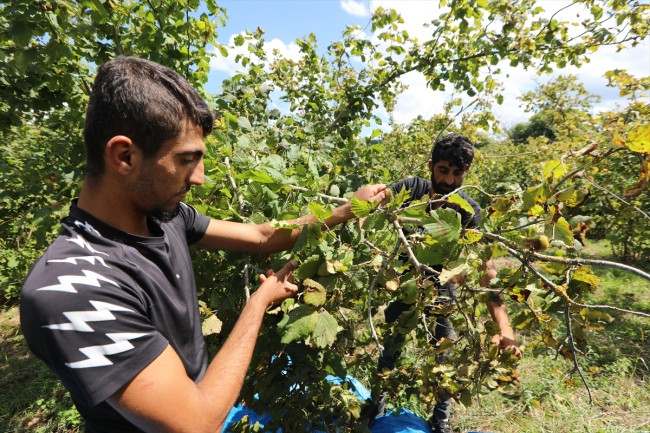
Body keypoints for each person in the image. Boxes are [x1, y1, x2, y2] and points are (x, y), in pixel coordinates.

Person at [20, 56, 388, 433]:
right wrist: (258, 303)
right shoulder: (70, 288)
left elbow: (261, 236)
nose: (201, 178)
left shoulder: (166, 217)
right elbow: (195, 423)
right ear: (124, 156)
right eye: (187, 159)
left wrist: (345, 210)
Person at [371, 134, 522, 433]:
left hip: (442, 290)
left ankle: (441, 421)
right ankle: (375, 408)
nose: (450, 180)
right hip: (404, 285)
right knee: (390, 349)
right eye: (443, 170)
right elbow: (370, 205)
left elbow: (486, 270)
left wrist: (505, 329)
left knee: (445, 356)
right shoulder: (410, 188)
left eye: (458, 173)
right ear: (431, 166)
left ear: (466, 173)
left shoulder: (468, 210)